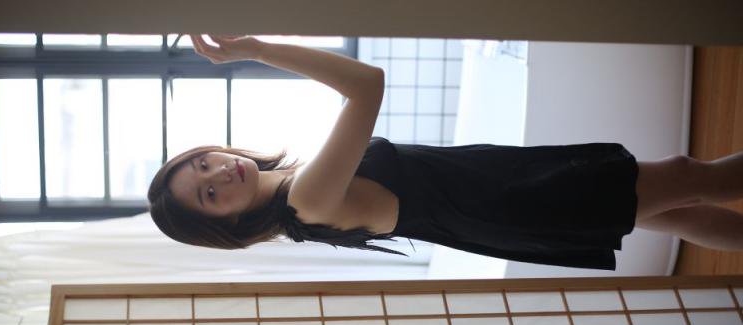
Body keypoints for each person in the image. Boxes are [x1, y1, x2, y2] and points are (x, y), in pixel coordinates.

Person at [148, 34, 743, 270]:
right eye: (209, 194)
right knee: (686, 178)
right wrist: (256, 49)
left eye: (202, 164)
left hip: (509, 193)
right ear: (226, 225)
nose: (219, 173)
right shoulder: (305, 200)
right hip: (521, 201)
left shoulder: (299, 190)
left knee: (675, 210)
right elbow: (367, 84)